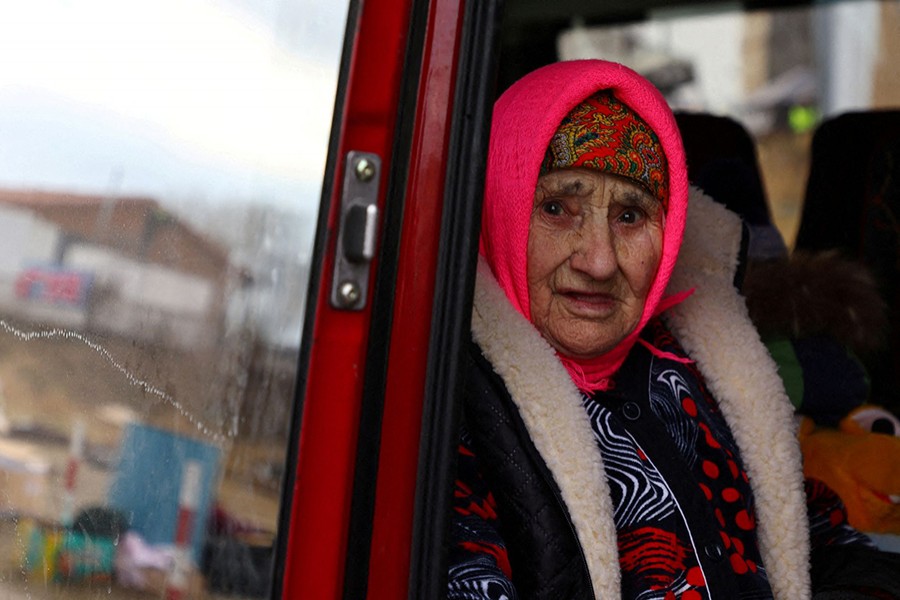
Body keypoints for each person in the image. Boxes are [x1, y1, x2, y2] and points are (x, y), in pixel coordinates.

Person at [448, 59, 900, 599]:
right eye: (555, 207)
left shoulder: (704, 372)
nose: (599, 261)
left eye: (631, 217)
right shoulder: (455, 416)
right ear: (501, 206)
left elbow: (820, 535)